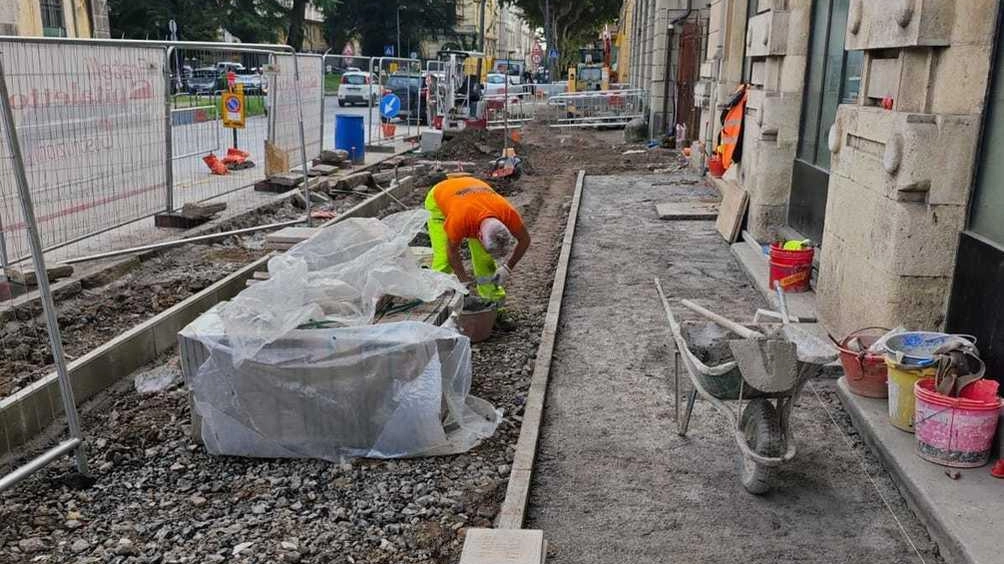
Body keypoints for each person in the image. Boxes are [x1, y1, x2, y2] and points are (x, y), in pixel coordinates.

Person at [424, 176, 530, 304]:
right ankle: (435, 301)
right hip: (439, 198)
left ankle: (494, 302)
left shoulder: (508, 214)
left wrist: (508, 268)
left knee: (484, 260)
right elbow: (452, 252)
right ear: (479, 235)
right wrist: (464, 283)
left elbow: (525, 240)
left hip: (471, 195)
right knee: (443, 259)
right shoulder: (459, 220)